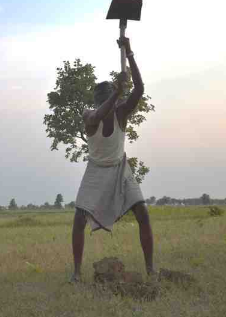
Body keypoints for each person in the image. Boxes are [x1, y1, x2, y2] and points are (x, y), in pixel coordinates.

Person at [71, 37, 154, 282]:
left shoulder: (121, 112)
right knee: (78, 218)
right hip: (96, 170)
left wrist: (129, 53)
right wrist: (117, 91)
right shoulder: (89, 115)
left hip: (120, 167)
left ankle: (151, 269)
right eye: (111, 98)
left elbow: (139, 90)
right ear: (101, 100)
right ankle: (76, 273)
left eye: (115, 98)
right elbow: (98, 114)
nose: (116, 102)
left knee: (142, 212)